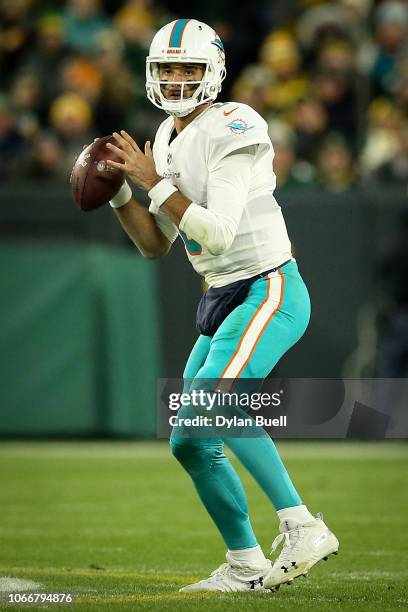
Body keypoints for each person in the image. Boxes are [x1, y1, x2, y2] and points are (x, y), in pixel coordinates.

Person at [105, 18, 339, 593]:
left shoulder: (236, 122)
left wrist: (156, 183)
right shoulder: (164, 138)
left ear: (213, 71)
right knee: (190, 437)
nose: (178, 79)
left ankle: (302, 524)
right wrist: (118, 194)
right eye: (167, 69)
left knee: (218, 403)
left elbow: (215, 233)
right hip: (221, 298)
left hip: (268, 286)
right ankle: (246, 563)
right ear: (151, 74)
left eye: (189, 68)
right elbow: (155, 245)